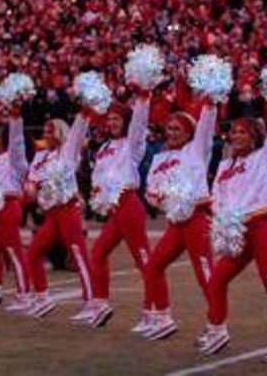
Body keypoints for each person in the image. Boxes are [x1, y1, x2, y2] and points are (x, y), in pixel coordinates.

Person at [198, 106, 267, 362]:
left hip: (261, 228)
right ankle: (217, 330)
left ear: (254, 137)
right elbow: (216, 198)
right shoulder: (223, 166)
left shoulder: (264, 158)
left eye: (243, 132)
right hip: (236, 233)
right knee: (216, 280)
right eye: (234, 132)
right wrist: (219, 221)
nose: (237, 136)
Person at [84, 92, 165, 328]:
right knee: (98, 252)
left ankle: (154, 313)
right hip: (114, 210)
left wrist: (143, 98)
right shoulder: (104, 147)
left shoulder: (133, 144)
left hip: (129, 204)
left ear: (126, 121)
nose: (111, 123)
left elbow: (139, 123)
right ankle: (100, 305)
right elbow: (98, 175)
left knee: (144, 261)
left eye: (116, 119)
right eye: (109, 119)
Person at [141, 102, 217, 340]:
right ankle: (163, 319)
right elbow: (150, 190)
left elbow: (206, 125)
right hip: (176, 223)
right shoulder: (158, 158)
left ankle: (217, 327)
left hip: (196, 220)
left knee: (206, 276)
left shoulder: (197, 150)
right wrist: (159, 198)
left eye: (178, 129)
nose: (172, 132)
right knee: (153, 266)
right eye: (169, 128)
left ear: (189, 133)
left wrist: (209, 103)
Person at [25, 114, 93, 318]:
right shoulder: (40, 156)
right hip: (51, 214)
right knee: (34, 253)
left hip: (67, 209)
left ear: (61, 132)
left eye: (50, 130)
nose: (46, 134)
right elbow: (31, 181)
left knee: (78, 255)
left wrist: (85, 111)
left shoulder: (67, 151)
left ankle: (93, 302)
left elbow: (79, 130)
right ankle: (42, 298)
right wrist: (31, 188)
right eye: (44, 130)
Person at [0, 105, 31, 311]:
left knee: (14, 251)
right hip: (0, 207)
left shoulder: (16, 159)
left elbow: (17, 142)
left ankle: (25, 295)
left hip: (10, 205)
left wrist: (15, 119)